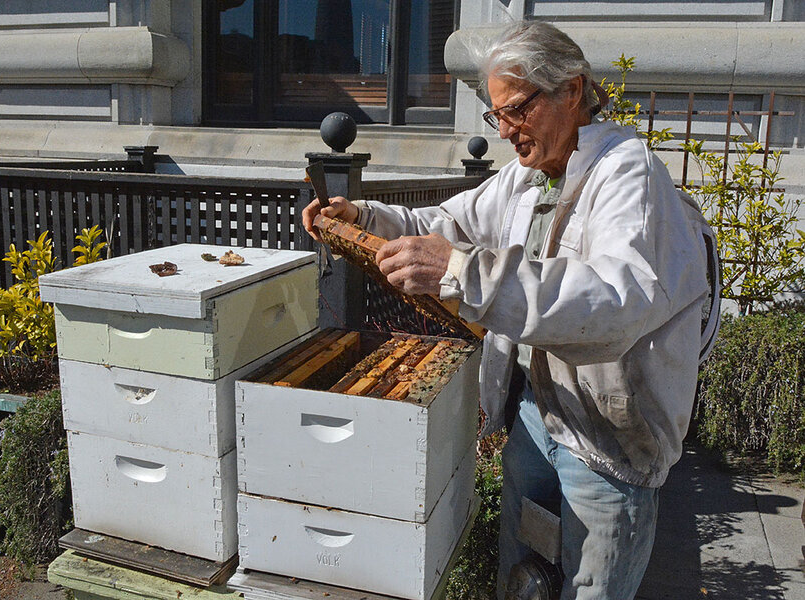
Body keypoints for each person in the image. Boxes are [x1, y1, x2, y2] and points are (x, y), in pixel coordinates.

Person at [302, 20, 710, 600]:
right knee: (525, 582)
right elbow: (441, 225)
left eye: (517, 109)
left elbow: (617, 301)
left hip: (609, 438)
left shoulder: (627, 173)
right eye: (498, 117)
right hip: (533, 415)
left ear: (572, 90)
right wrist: (363, 218)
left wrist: (463, 272)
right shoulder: (525, 177)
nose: (508, 132)